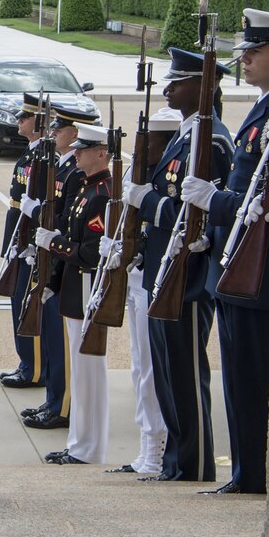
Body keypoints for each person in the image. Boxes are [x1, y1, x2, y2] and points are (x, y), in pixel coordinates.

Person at [180, 9, 269, 494]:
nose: (244, 59)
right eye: (244, 50)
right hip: (235, 262)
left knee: (254, 377)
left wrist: (217, 202)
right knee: (238, 379)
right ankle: (247, 471)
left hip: (262, 269)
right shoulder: (265, 108)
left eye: (256, 50)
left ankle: (260, 474)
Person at [124, 48, 233, 483]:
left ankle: (195, 464)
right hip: (162, 270)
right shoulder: (184, 136)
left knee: (186, 380)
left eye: (178, 81)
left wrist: (146, 201)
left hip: (186, 276)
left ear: (203, 88)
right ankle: (176, 463)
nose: (167, 88)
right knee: (168, 376)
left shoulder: (213, 139)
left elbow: (199, 215)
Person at [101, 107, 179, 476]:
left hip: (153, 282)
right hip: (135, 280)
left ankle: (157, 448)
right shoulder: (140, 174)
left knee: (150, 369)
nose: (145, 151)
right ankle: (147, 446)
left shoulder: (160, 179)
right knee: (139, 366)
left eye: (153, 143)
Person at [35, 123, 112, 464]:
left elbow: (92, 253)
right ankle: (79, 443)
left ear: (102, 153)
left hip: (86, 289)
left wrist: (56, 244)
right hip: (73, 289)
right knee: (80, 374)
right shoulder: (84, 188)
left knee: (88, 373)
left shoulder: (103, 193)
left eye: (85, 148)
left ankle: (89, 448)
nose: (76, 152)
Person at [21, 105, 98, 430]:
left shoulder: (75, 173)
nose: (53, 131)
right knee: (55, 339)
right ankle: (55, 399)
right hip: (56, 260)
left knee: (65, 344)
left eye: (60, 128)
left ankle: (63, 405)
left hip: (67, 263)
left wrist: (40, 222)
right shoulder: (61, 165)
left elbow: (66, 223)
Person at [0, 93, 48, 390]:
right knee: (19, 301)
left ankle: (35, 368)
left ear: (40, 122)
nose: (19, 120)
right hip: (19, 234)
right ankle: (26, 362)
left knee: (28, 302)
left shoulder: (44, 157)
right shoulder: (31, 152)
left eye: (25, 117)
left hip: (28, 239)